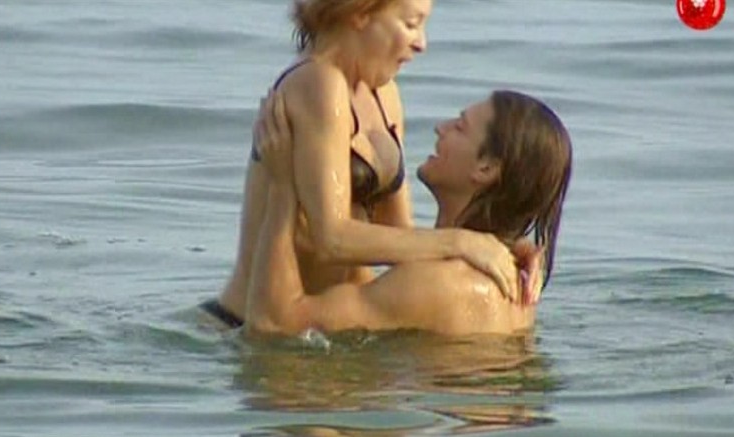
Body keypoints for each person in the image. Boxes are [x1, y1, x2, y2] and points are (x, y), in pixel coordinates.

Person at [203, 0, 520, 327]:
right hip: (247, 322)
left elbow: (399, 235)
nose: (422, 43)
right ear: (360, 14)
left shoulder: (385, 94)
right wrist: (462, 243)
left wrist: (503, 248)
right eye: (411, 24)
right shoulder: (318, 83)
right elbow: (332, 239)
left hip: (321, 325)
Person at [244, 89, 572, 336]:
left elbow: (275, 325)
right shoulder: (511, 277)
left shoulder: (439, 283)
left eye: (459, 127)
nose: (440, 128)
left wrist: (282, 186)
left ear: (485, 168)